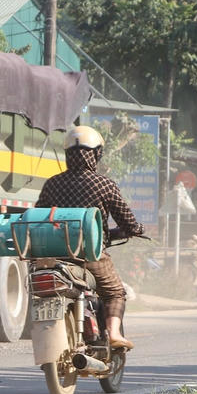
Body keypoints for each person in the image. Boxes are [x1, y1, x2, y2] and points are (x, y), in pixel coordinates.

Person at [35, 125, 145, 348]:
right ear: (96, 154)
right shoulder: (104, 184)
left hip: (54, 256)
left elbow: (39, 217)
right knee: (115, 293)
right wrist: (136, 229)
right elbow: (127, 221)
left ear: (68, 155)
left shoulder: (52, 184)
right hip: (90, 255)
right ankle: (114, 333)